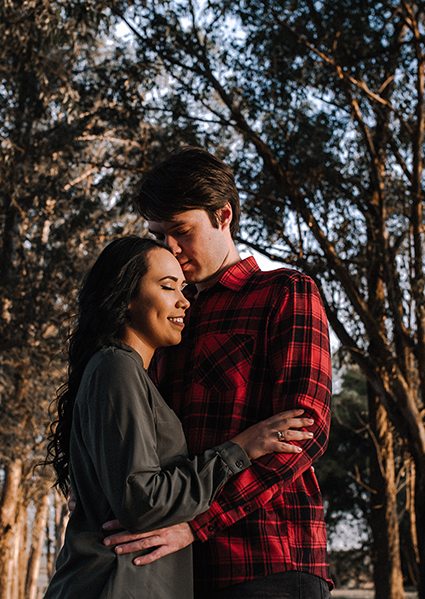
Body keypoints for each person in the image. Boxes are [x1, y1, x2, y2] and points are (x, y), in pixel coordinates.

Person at [103, 147, 333, 598]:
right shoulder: (161, 321)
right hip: (173, 568)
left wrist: (200, 522)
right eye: (157, 235)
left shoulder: (284, 293)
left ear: (223, 215)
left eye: (181, 231)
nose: (170, 248)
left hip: (268, 562)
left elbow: (306, 430)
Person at [42, 236, 315, 599]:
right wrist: (240, 449)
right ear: (124, 297)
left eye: (183, 287)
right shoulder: (116, 365)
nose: (184, 300)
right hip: (115, 581)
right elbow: (142, 500)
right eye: (168, 286)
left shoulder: (135, 374)